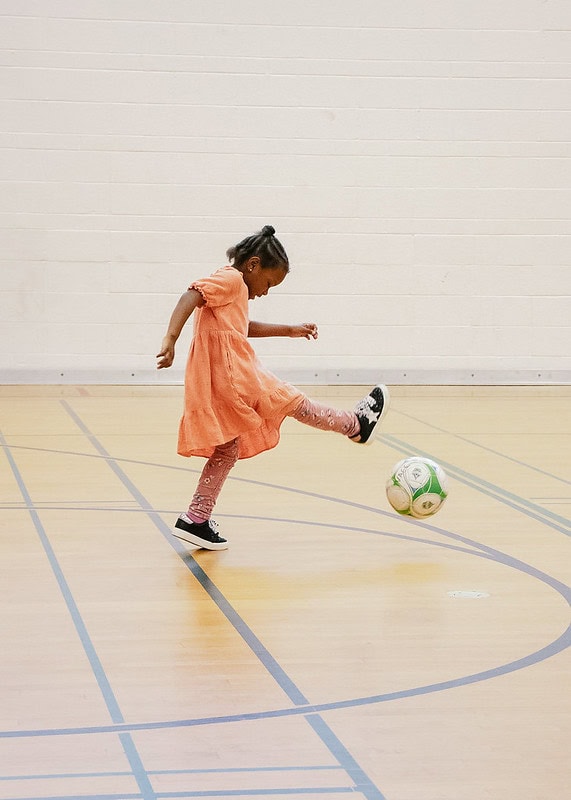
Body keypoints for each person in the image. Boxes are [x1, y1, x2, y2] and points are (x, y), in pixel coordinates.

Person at [156, 225, 389, 550]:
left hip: (219, 379)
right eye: (268, 282)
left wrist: (288, 330)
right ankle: (355, 425)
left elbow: (241, 326)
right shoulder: (231, 280)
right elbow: (190, 294)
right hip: (235, 373)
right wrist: (170, 339)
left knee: (227, 448)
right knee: (291, 401)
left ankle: (196, 518)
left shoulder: (232, 289)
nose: (265, 291)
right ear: (253, 265)